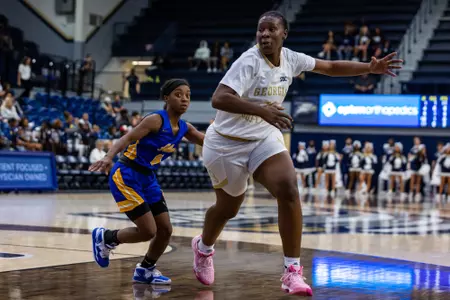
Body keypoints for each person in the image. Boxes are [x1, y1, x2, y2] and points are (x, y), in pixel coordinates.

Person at [191, 10, 402, 296]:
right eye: (260, 30)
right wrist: (263, 111)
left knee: (289, 189)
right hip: (226, 142)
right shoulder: (248, 61)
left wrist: (368, 68)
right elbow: (219, 98)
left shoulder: (291, 59)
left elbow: (329, 67)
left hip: (262, 136)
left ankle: (292, 270)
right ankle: (204, 248)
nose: (264, 34)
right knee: (228, 209)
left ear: (283, 34)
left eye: (271, 30)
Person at [89, 79, 205, 285]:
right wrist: (108, 157)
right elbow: (126, 138)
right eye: (178, 94)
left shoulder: (185, 128)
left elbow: (207, 139)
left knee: (165, 230)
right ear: (166, 98)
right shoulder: (155, 120)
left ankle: (146, 269)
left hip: (148, 178)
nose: (184, 99)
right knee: (148, 231)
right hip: (127, 174)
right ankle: (106, 238)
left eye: (187, 95)